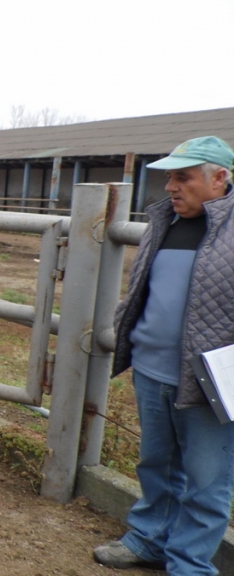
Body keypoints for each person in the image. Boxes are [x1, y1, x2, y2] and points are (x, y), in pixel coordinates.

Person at [95, 136, 234, 575]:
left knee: (207, 480)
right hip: (153, 369)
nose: (171, 187)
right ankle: (149, 539)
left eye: (183, 177)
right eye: (170, 177)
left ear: (219, 177)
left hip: (210, 380)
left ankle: (190, 563)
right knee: (157, 463)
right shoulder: (165, 221)